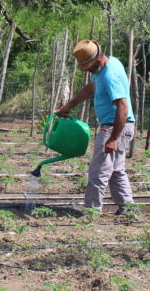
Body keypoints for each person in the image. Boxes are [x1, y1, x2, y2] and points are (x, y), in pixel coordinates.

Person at [57, 39, 135, 214]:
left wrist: (114, 138)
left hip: (114, 127)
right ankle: (128, 209)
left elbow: (123, 107)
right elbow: (90, 88)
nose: (89, 72)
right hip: (120, 126)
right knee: (116, 171)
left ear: (98, 61)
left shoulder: (110, 75)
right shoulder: (108, 64)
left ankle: (91, 211)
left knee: (98, 172)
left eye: (89, 68)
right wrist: (68, 106)